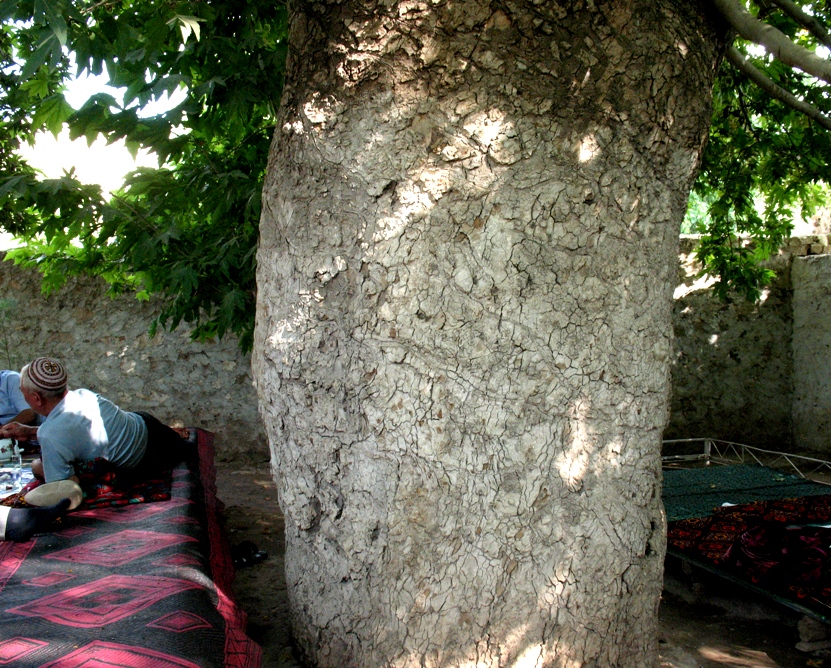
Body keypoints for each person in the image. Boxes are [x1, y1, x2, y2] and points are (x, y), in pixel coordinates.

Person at [0, 357, 189, 484]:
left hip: (143, 464)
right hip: (151, 428)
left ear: (37, 399)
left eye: (23, 392)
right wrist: (30, 431)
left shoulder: (50, 434)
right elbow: (75, 431)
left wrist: (38, 468)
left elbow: (64, 487)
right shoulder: (85, 395)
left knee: (38, 465)